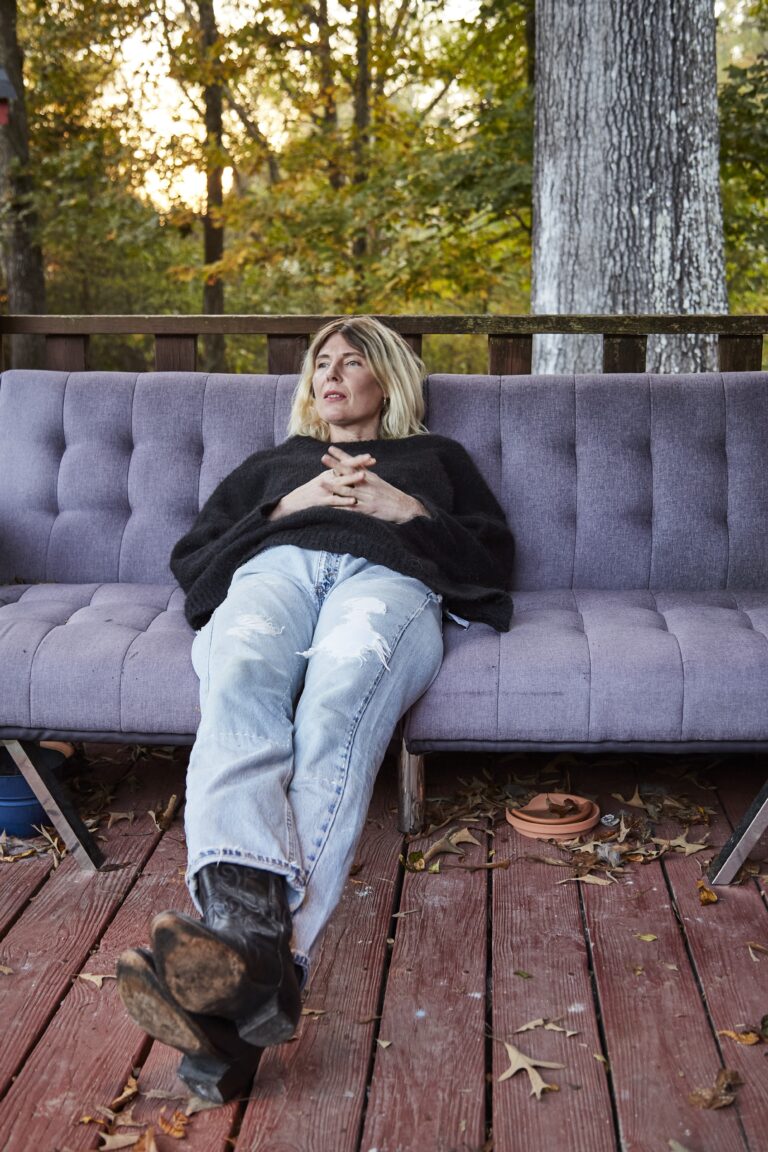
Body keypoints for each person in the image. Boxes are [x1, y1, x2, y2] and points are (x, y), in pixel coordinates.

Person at [117, 316, 515, 1102]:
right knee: (237, 678)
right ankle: (261, 965)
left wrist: (406, 511)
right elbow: (192, 561)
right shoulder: (277, 464)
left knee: (336, 709)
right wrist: (285, 507)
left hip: (385, 578)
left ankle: (239, 984)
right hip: (277, 572)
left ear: (389, 380)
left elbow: (496, 564)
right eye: (321, 363)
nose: (330, 375)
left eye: (351, 362)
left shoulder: (437, 460)